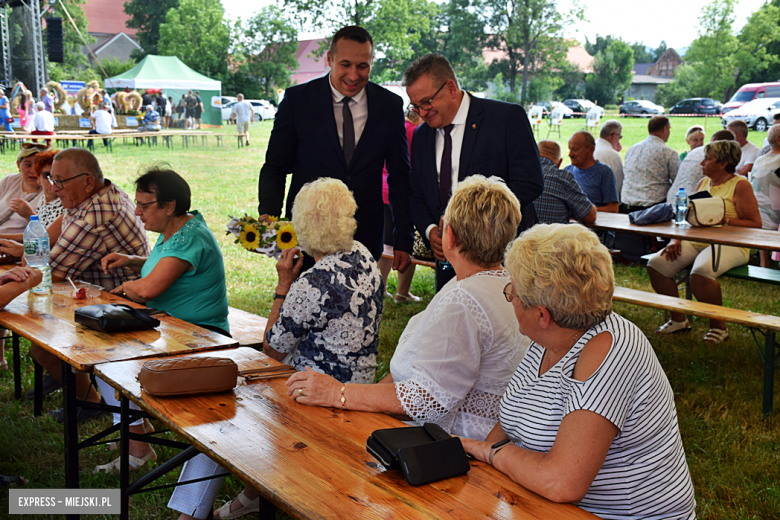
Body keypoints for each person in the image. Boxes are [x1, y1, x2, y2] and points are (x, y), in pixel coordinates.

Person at [168, 177, 385, 520]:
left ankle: (189, 513)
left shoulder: (313, 282)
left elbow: (272, 349)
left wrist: (283, 284)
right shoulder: (364, 257)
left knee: (217, 411)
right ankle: (249, 497)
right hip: (357, 387)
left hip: (309, 394)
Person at [459, 223, 697, 520]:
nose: (511, 299)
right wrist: (483, 455)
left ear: (542, 315)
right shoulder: (551, 338)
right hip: (541, 505)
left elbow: (562, 483)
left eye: (512, 293)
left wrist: (490, 454)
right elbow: (512, 422)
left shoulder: (612, 350)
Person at [287, 175, 529, 441]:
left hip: (452, 450)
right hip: (465, 440)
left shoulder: (464, 300)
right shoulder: (502, 283)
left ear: (449, 235)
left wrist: (339, 393)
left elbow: (428, 401)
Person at [94, 166, 230, 474]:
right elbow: (169, 266)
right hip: (171, 329)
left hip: (200, 336)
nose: (138, 213)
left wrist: (122, 289)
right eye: (136, 204)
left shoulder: (188, 237)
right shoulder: (176, 230)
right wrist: (133, 260)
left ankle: (137, 446)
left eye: (144, 206)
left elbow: (147, 289)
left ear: (169, 206)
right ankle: (137, 442)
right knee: (99, 357)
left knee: (107, 360)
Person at [257, 25, 414, 276]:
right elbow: (275, 166)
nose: (353, 75)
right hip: (308, 233)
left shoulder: (390, 105)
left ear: (372, 62)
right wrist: (269, 217)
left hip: (364, 234)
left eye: (362, 66)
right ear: (329, 59)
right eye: (345, 64)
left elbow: (399, 175)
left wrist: (403, 238)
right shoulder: (298, 100)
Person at [17, 148, 151, 423]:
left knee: (42, 345)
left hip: (122, 308)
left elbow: (48, 272)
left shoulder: (95, 216)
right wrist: (30, 247)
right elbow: (47, 237)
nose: (54, 188)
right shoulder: (94, 193)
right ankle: (89, 397)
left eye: (60, 182)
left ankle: (90, 402)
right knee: (39, 338)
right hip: (96, 299)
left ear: (88, 181)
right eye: (51, 179)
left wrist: (29, 255)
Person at [403, 53, 543, 291]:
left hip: (505, 259)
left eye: (426, 102)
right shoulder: (421, 135)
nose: (422, 113)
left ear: (450, 88)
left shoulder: (506, 118)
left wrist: (474, 227)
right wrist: (432, 231)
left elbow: (529, 182)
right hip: (450, 263)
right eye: (415, 105)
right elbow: (416, 193)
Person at [648, 140, 761, 344]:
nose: (702, 163)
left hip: (732, 244)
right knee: (656, 265)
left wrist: (724, 220)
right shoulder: (704, 183)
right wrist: (676, 239)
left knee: (700, 274)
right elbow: (690, 217)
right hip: (699, 238)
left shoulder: (741, 185)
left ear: (723, 163)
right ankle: (679, 319)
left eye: (707, 159)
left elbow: (755, 224)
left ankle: (718, 326)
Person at [377, 109, 423, 302]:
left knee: (385, 246)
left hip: (382, 189)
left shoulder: (392, 126)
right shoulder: (415, 131)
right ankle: (402, 293)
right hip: (402, 193)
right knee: (406, 243)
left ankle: (381, 288)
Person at [621, 116, 680, 212]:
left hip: (626, 205)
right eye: (669, 129)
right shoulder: (668, 152)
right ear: (664, 129)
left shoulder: (632, 149)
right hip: (652, 210)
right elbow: (678, 181)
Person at [534, 140, 596, 225]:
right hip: (552, 237)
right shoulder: (564, 178)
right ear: (559, 163)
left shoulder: (518, 174)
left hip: (521, 237)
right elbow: (590, 217)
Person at [666, 129, 735, 204]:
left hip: (673, 198)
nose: (702, 163)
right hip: (688, 204)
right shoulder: (714, 156)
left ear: (713, 139)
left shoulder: (695, 151)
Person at [748, 124, 780, 267]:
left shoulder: (759, 160)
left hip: (759, 219)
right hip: (775, 221)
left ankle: (764, 261)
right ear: (779, 140)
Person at [564, 131, 619, 213]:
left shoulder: (604, 172)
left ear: (590, 150)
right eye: (569, 149)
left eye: (575, 149)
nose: (570, 154)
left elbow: (613, 208)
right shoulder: (567, 171)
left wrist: (583, 211)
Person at [594, 119, 624, 198]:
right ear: (614, 136)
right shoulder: (613, 156)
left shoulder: (592, 146)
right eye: (620, 137)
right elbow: (618, 185)